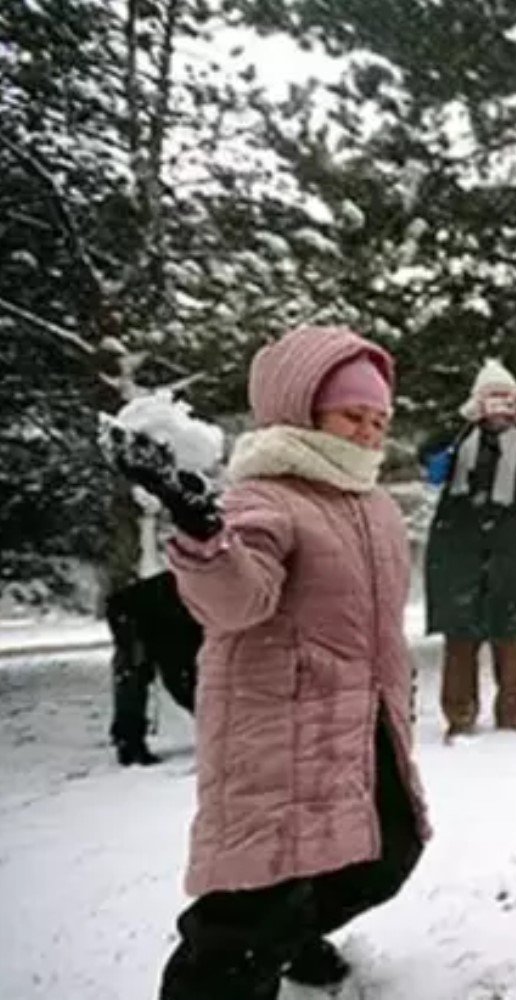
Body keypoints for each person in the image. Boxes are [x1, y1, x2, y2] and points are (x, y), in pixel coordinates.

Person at [112, 325, 431, 1000]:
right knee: (253, 905)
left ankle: (289, 940)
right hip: (277, 728)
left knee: (389, 851)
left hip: (360, 721)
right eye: (352, 416)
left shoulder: (372, 505)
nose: (369, 432)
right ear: (301, 410)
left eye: (379, 419)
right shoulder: (265, 495)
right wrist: (202, 532)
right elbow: (235, 601)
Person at [420, 359, 516, 739]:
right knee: (460, 635)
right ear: (478, 402)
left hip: (507, 547)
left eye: (507, 401)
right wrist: (460, 423)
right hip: (457, 545)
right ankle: (460, 715)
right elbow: (428, 460)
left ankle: (512, 712)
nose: (499, 410)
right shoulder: (460, 434)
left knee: (510, 632)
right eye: (491, 400)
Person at [103, 570, 201, 766]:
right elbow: (181, 678)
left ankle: (128, 740)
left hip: (150, 616)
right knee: (136, 676)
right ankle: (129, 743)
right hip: (133, 615)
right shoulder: (197, 611)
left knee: (145, 676)